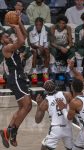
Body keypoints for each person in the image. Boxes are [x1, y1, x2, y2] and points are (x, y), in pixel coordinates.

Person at [0, 17, 32, 148]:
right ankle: (13, 132)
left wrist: (18, 22)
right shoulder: (7, 48)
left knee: (25, 107)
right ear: (2, 40)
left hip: (19, 78)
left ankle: (7, 131)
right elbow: (22, 40)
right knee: (27, 104)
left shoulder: (13, 46)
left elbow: (25, 36)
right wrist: (15, 26)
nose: (9, 37)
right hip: (16, 78)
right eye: (6, 36)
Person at [57, 78, 84, 150]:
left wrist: (63, 108)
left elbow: (69, 118)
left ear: (72, 88)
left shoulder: (74, 102)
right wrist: (73, 69)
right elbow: (80, 77)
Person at [35, 80, 73, 150]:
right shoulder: (66, 95)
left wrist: (38, 104)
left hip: (56, 128)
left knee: (44, 148)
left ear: (45, 90)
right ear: (56, 86)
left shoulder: (45, 102)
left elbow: (37, 120)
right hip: (68, 127)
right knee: (70, 148)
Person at [27, 17, 50, 83]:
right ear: (35, 24)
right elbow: (31, 44)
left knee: (47, 51)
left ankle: (45, 72)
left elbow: (46, 43)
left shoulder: (46, 31)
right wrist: (39, 47)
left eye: (40, 25)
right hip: (34, 47)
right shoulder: (31, 31)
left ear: (42, 25)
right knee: (35, 52)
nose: (38, 26)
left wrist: (43, 48)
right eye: (36, 25)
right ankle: (34, 74)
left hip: (42, 47)